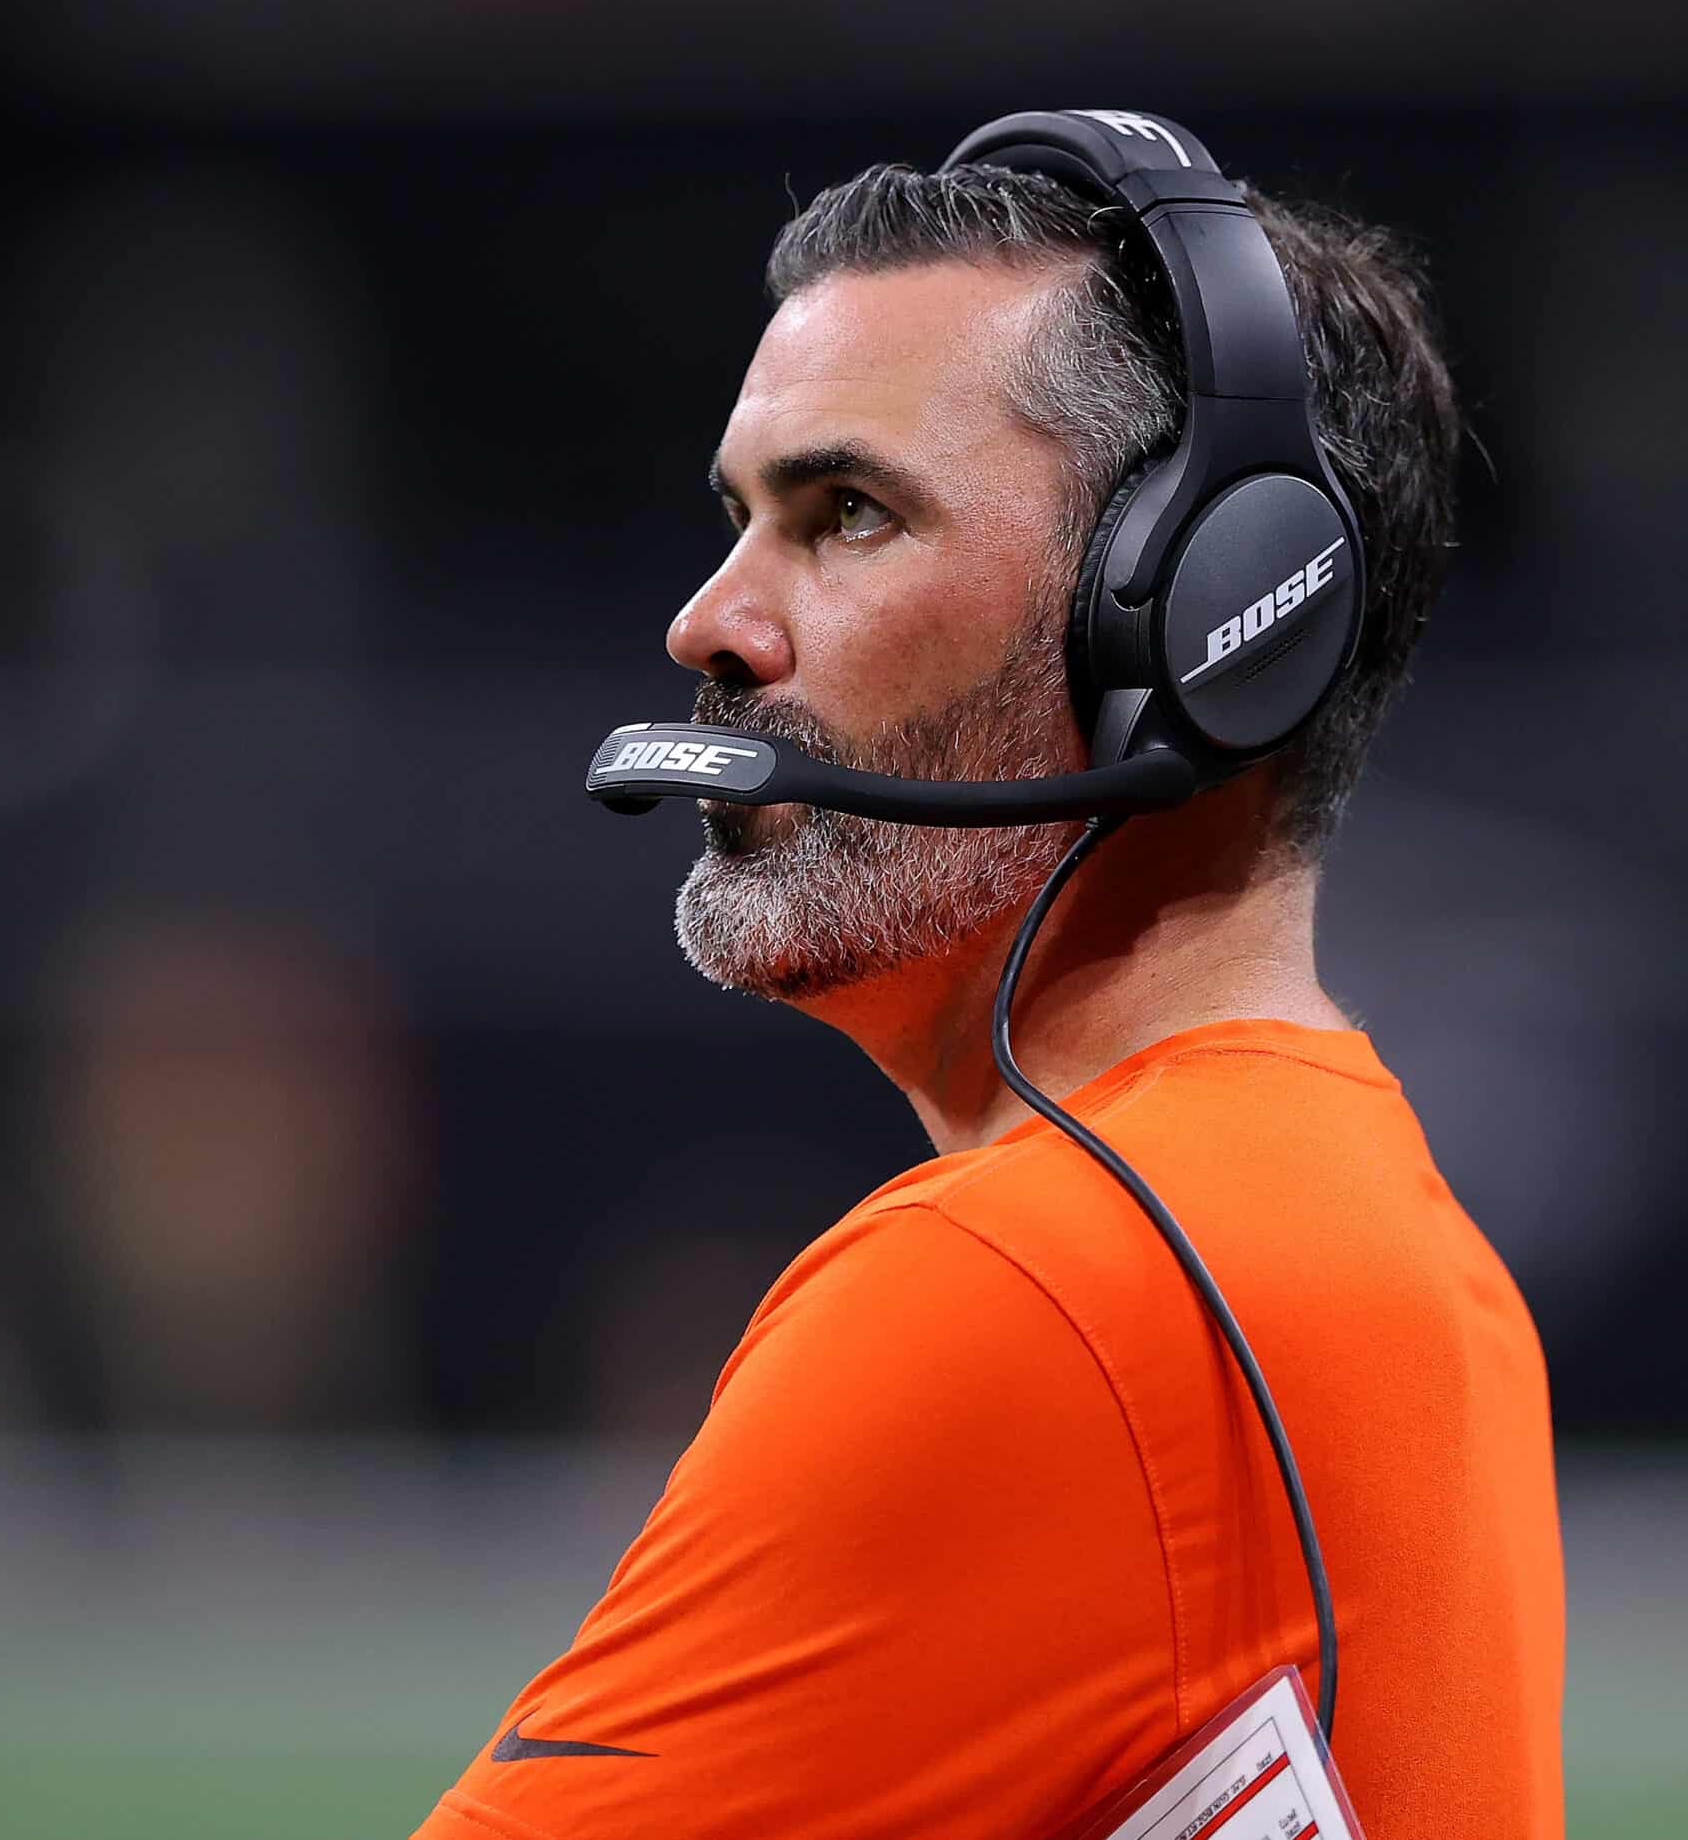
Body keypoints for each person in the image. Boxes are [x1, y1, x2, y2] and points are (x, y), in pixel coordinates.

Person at [413, 142, 1563, 1840]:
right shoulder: (1412, 1263)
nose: (704, 627)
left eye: (847, 514)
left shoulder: (1032, 1291)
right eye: (738, 521)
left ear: (1195, 626)